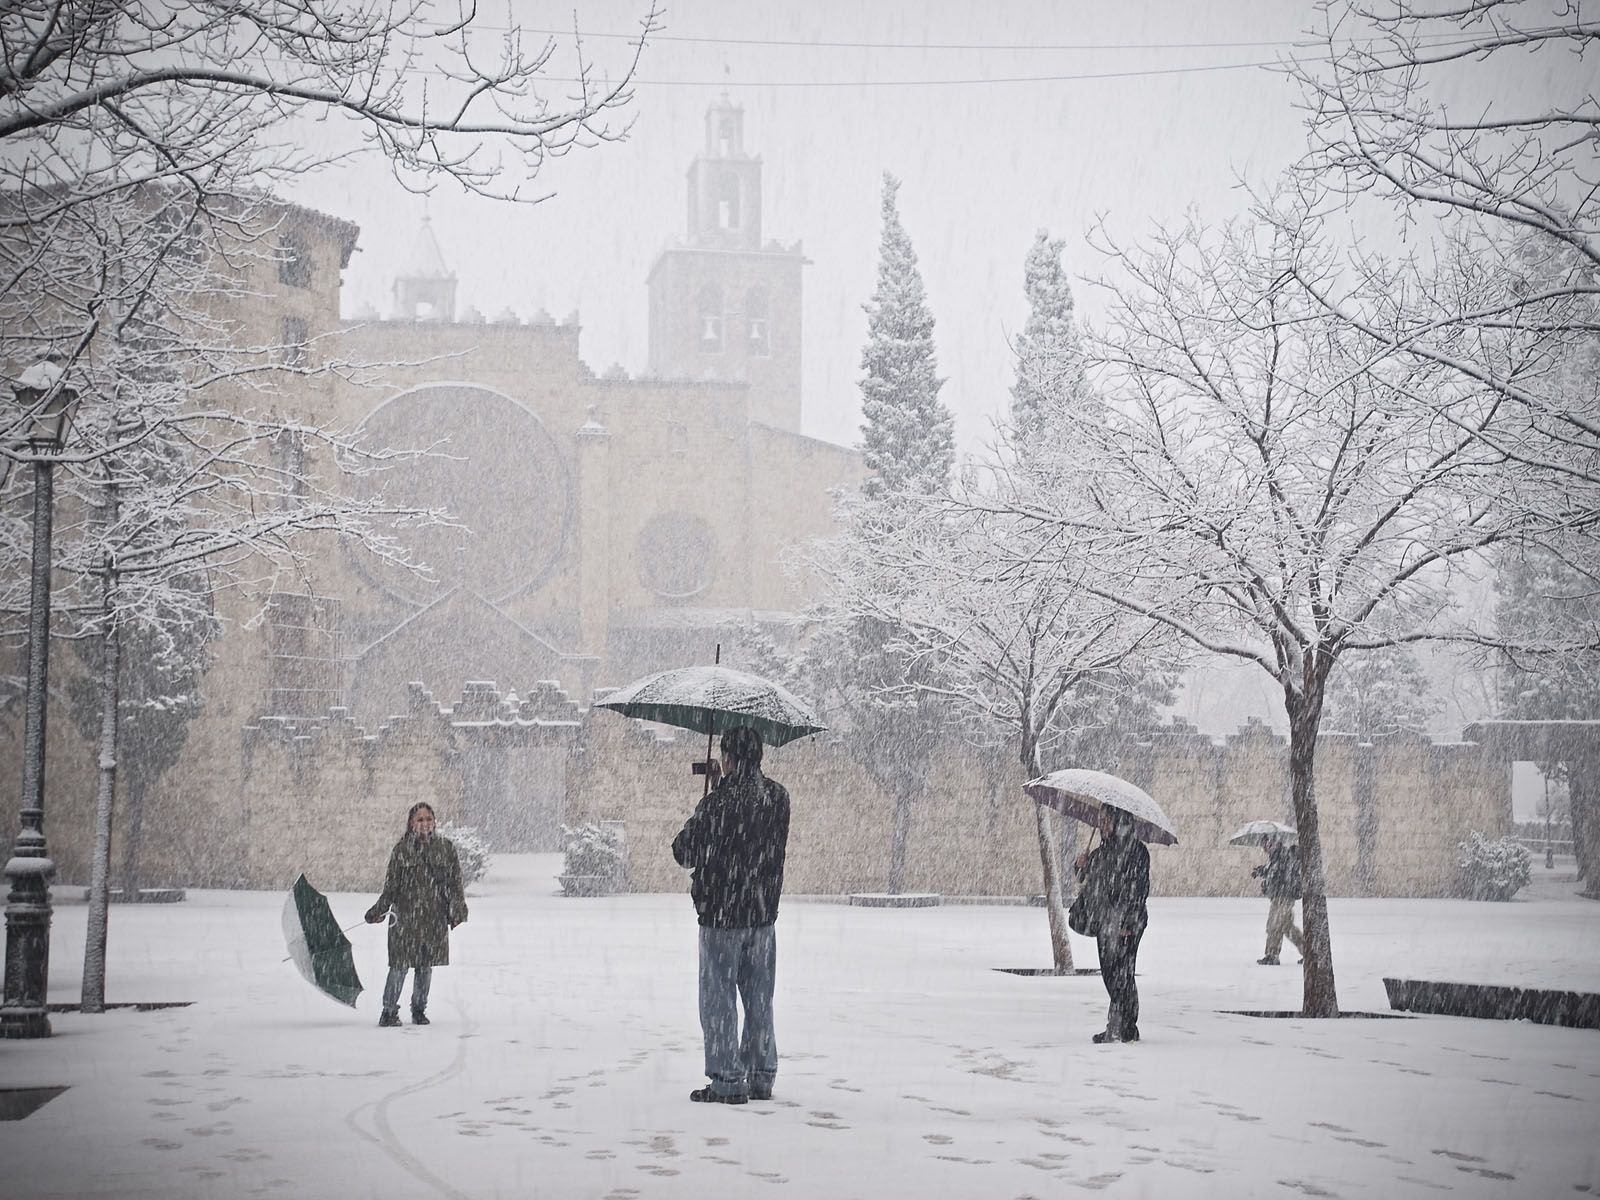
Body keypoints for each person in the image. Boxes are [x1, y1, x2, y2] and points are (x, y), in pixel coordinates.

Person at [671, 725, 791, 1104]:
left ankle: (727, 1079)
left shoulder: (717, 804)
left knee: (719, 999)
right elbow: (759, 844)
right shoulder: (778, 797)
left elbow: (684, 852)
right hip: (762, 914)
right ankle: (760, 1074)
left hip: (722, 916)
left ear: (728, 757)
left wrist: (711, 797)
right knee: (760, 999)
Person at [365, 802, 468, 1027]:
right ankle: (389, 1011)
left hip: (433, 918)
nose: (425, 824)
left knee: (425, 966)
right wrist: (377, 911)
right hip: (404, 920)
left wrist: (458, 911)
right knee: (399, 966)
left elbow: (455, 883)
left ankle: (419, 1010)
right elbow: (390, 888)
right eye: (420, 820)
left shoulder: (446, 848)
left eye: (428, 819)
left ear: (434, 822)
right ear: (412, 823)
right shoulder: (401, 851)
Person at [1074, 806, 1150, 1044]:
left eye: (1106, 820)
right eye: (1101, 820)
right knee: (1111, 974)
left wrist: (1127, 921)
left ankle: (1123, 1026)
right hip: (1105, 921)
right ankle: (1121, 1025)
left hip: (1126, 922)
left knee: (1122, 975)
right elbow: (1085, 880)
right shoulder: (1103, 850)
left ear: (1119, 821)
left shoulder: (1136, 851)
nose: (1102, 825)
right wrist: (1080, 866)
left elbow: (1139, 888)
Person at [1253, 834, 1303, 966]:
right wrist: (1261, 873)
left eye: (1265, 844)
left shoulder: (1284, 856)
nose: (1264, 848)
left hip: (1284, 898)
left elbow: (1283, 877)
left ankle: (1272, 955)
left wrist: (1270, 880)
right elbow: (1272, 873)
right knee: (1287, 928)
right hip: (1278, 897)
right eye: (1262, 845)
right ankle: (1309, 953)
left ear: (1274, 843)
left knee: (1274, 926)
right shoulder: (1274, 857)